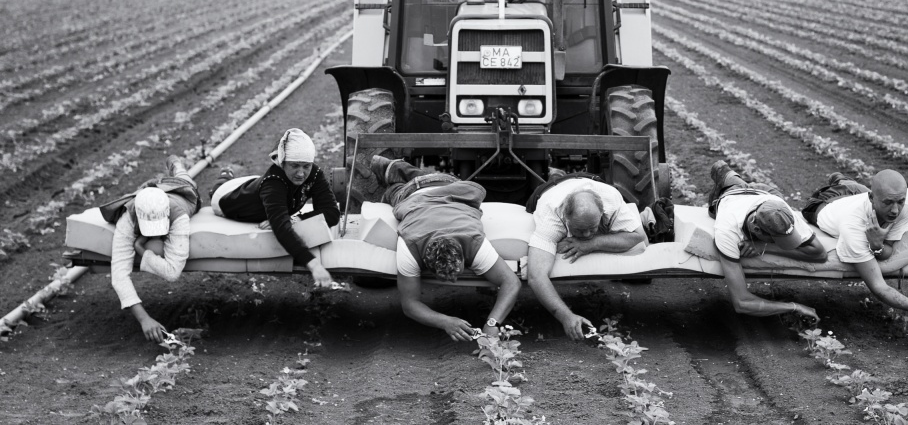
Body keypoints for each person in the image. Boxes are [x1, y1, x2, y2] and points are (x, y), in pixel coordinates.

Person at [369, 155, 521, 342]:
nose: (455, 280)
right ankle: (397, 169)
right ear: (425, 259)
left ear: (463, 253)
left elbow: (512, 283)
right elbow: (408, 306)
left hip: (437, 188)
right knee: (393, 192)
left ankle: (396, 168)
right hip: (430, 190)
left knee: (407, 184)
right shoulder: (410, 246)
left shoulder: (473, 242)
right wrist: (445, 321)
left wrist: (492, 323)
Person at [210, 128, 340, 289]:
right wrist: (314, 265)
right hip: (225, 199)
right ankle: (224, 176)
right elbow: (282, 230)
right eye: (295, 166)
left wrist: (297, 219)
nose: (301, 173)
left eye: (306, 166)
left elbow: (332, 213)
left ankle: (231, 177)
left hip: (255, 186)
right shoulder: (273, 184)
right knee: (218, 189)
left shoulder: (314, 174)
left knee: (257, 184)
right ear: (282, 161)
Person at [803, 169, 908, 318]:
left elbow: (887, 249)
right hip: (825, 202)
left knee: (854, 187)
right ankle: (839, 182)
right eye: (888, 203)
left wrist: (877, 246)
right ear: (871, 198)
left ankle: (843, 181)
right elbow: (879, 286)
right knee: (839, 189)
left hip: (857, 194)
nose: (895, 211)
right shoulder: (853, 228)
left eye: (900, 202)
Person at [526, 176, 648, 340]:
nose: (587, 234)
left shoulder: (611, 198)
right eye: (580, 230)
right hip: (547, 189)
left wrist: (592, 244)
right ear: (566, 218)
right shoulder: (551, 216)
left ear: (601, 212)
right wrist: (565, 316)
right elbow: (536, 276)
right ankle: (556, 174)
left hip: (589, 178)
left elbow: (639, 237)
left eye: (592, 228)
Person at [708, 161, 827, 322]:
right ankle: (726, 174)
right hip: (732, 195)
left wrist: (765, 246)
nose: (784, 244)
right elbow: (741, 302)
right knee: (728, 180)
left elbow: (820, 254)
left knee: (758, 191)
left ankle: (734, 178)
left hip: (769, 195)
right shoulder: (727, 230)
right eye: (777, 240)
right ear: (757, 230)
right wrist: (793, 307)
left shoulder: (782, 212)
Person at [111, 155, 200, 342]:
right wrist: (144, 319)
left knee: (185, 181)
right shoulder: (127, 219)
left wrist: (140, 248)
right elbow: (119, 274)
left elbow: (172, 272)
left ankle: (177, 166)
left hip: (180, 192)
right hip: (149, 192)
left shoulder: (179, 216)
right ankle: (159, 182)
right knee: (153, 190)